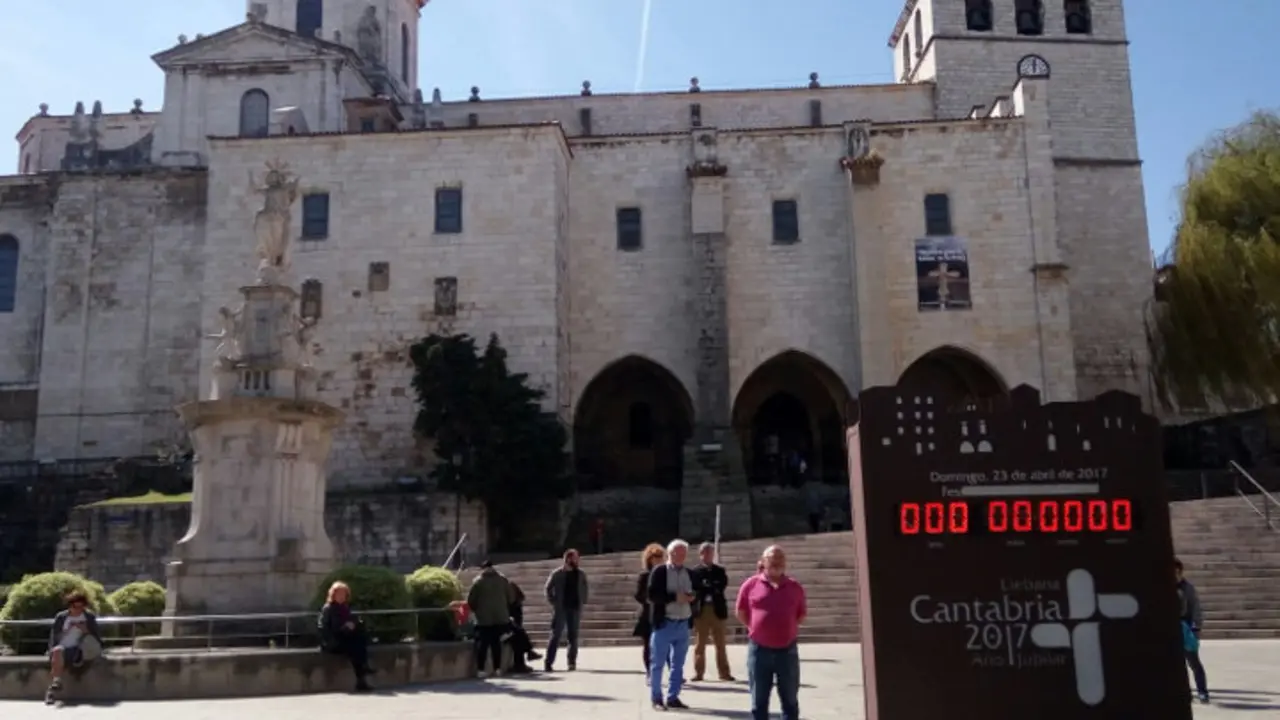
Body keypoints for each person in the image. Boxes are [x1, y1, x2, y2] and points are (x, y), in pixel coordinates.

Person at [736, 545, 807, 720]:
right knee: (759, 702)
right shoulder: (750, 585)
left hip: (787, 650)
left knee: (790, 701)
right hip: (759, 651)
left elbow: (801, 614)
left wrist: (784, 628)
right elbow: (741, 612)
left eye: (780, 559)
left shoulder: (794, 587)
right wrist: (757, 629)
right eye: (772, 558)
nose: (776, 562)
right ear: (763, 561)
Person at [647, 538, 695, 710]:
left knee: (678, 664)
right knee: (658, 663)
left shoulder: (689, 572)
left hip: (683, 623)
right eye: (677, 553)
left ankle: (673, 697)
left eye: (684, 553)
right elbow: (651, 595)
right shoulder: (660, 571)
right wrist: (674, 597)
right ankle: (656, 698)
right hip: (665, 623)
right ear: (670, 553)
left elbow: (695, 591)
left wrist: (691, 597)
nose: (681, 556)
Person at [44, 591, 105, 705]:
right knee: (57, 651)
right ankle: (55, 684)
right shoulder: (61, 617)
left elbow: (96, 637)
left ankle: (53, 689)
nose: (77, 610)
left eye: (81, 607)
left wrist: (85, 630)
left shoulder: (88, 617)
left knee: (58, 653)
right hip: (62, 647)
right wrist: (65, 631)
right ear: (69, 606)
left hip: (79, 649)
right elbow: (54, 636)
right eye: (74, 607)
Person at [318, 581, 374, 692]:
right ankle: (363, 671)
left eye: (344, 594)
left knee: (358, 641)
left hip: (344, 638)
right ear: (333, 595)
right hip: (332, 641)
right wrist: (344, 626)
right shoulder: (328, 608)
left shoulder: (344, 608)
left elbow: (352, 620)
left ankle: (362, 678)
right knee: (355, 647)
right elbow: (326, 628)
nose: (341, 596)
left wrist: (354, 624)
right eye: (339, 594)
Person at [690, 542, 735, 682]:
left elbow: (721, 585)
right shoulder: (695, 571)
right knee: (700, 644)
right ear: (701, 554)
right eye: (706, 552)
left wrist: (708, 585)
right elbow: (696, 587)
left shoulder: (719, 570)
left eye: (711, 552)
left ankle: (724, 672)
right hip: (702, 610)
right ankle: (698, 672)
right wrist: (707, 586)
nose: (708, 555)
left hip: (717, 609)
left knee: (720, 643)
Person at [543, 548, 589, 671]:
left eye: (577, 558)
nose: (577, 560)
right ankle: (548, 662)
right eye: (574, 558)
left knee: (573, 636)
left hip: (575, 608)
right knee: (555, 635)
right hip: (561, 608)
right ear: (568, 559)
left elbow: (585, 587)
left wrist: (583, 600)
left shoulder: (580, 574)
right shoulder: (557, 573)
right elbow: (548, 588)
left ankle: (571, 662)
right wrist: (553, 602)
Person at [468, 560, 515, 678]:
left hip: (484, 618)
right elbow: (511, 597)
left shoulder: (478, 582)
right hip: (500, 618)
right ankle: (497, 668)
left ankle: (481, 669)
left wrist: (476, 610)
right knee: (496, 644)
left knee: (483, 644)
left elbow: (471, 600)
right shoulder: (503, 580)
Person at [1176, 558, 1210, 703]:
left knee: (1194, 662)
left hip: (1186, 628)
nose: (1174, 575)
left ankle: (1202, 691)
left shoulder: (1187, 588)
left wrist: (1196, 628)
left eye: (1176, 572)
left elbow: (1196, 608)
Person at [633, 543, 666, 678]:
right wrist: (648, 600)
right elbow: (638, 594)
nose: (658, 559)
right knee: (648, 645)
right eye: (655, 557)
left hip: (663, 613)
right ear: (649, 558)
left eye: (660, 556)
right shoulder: (644, 575)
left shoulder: (665, 574)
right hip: (648, 614)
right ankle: (649, 672)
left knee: (664, 645)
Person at [508, 580, 541, 663]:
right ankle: (528, 654)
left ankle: (526, 656)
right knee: (519, 634)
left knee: (519, 634)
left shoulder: (508, 588)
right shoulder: (510, 586)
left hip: (512, 620)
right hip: (507, 622)